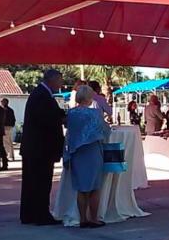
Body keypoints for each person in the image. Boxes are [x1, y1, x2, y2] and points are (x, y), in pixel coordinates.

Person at [20, 69, 66, 225]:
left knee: (32, 183)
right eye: (60, 81)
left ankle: (29, 214)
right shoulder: (42, 95)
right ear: (52, 80)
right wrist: (62, 119)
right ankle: (40, 215)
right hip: (40, 148)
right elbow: (46, 119)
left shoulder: (41, 94)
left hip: (35, 148)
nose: (61, 84)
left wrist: (61, 114)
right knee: (40, 183)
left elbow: (50, 113)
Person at [63, 85, 109, 228]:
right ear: (90, 97)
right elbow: (105, 132)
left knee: (81, 188)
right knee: (95, 187)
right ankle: (93, 218)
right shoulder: (95, 113)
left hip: (77, 153)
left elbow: (69, 133)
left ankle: (83, 218)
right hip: (92, 152)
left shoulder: (71, 113)